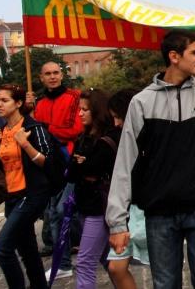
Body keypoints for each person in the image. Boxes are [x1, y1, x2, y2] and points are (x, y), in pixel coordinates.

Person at [106, 30, 195, 289]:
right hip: (159, 213)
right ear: (174, 56)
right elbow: (124, 164)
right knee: (166, 284)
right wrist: (117, 222)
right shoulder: (141, 103)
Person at [0, 84, 56, 289]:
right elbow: (0, 170)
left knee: (2, 249)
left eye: (5, 100)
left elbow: (50, 162)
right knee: (27, 249)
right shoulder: (0, 132)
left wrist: (26, 145)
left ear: (18, 103)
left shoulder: (33, 128)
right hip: (11, 197)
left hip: (32, 195)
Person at [26, 61, 82, 275]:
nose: (52, 77)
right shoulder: (38, 103)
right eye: (47, 73)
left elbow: (75, 130)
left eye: (56, 73)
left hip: (68, 161)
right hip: (48, 165)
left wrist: (48, 128)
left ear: (62, 75)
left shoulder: (74, 97)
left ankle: (66, 262)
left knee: (62, 212)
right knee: (56, 213)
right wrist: (27, 107)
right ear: (41, 77)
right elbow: (32, 131)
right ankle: (67, 258)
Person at [67, 88, 120, 289]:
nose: (80, 114)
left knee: (85, 262)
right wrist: (81, 166)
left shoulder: (108, 138)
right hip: (85, 203)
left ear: (96, 111)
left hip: (100, 207)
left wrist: (83, 166)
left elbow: (93, 169)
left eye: (85, 110)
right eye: (79, 109)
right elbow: (72, 172)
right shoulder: (84, 137)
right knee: (110, 263)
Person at [104, 89, 148, 289]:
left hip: (149, 206)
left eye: (118, 117)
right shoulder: (116, 136)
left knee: (163, 267)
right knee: (115, 267)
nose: (116, 123)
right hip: (128, 208)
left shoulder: (148, 133)